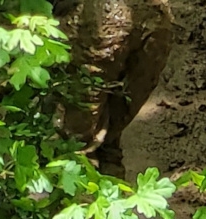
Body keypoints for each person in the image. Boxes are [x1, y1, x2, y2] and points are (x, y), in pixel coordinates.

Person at [55, 0, 175, 178]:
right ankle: (79, 185)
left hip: (152, 19)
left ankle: (107, 178)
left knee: (114, 117)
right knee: (77, 133)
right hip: (89, 18)